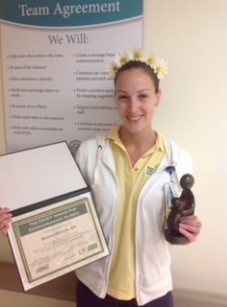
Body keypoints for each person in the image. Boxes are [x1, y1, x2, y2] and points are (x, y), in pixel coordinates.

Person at [0, 49, 202, 307]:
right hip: (94, 289)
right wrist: (19, 227)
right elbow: (62, 213)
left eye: (143, 96)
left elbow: (178, 218)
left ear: (158, 97)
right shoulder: (89, 152)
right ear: (115, 99)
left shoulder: (179, 159)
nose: (133, 108)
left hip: (152, 293)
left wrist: (187, 230)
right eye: (123, 97)